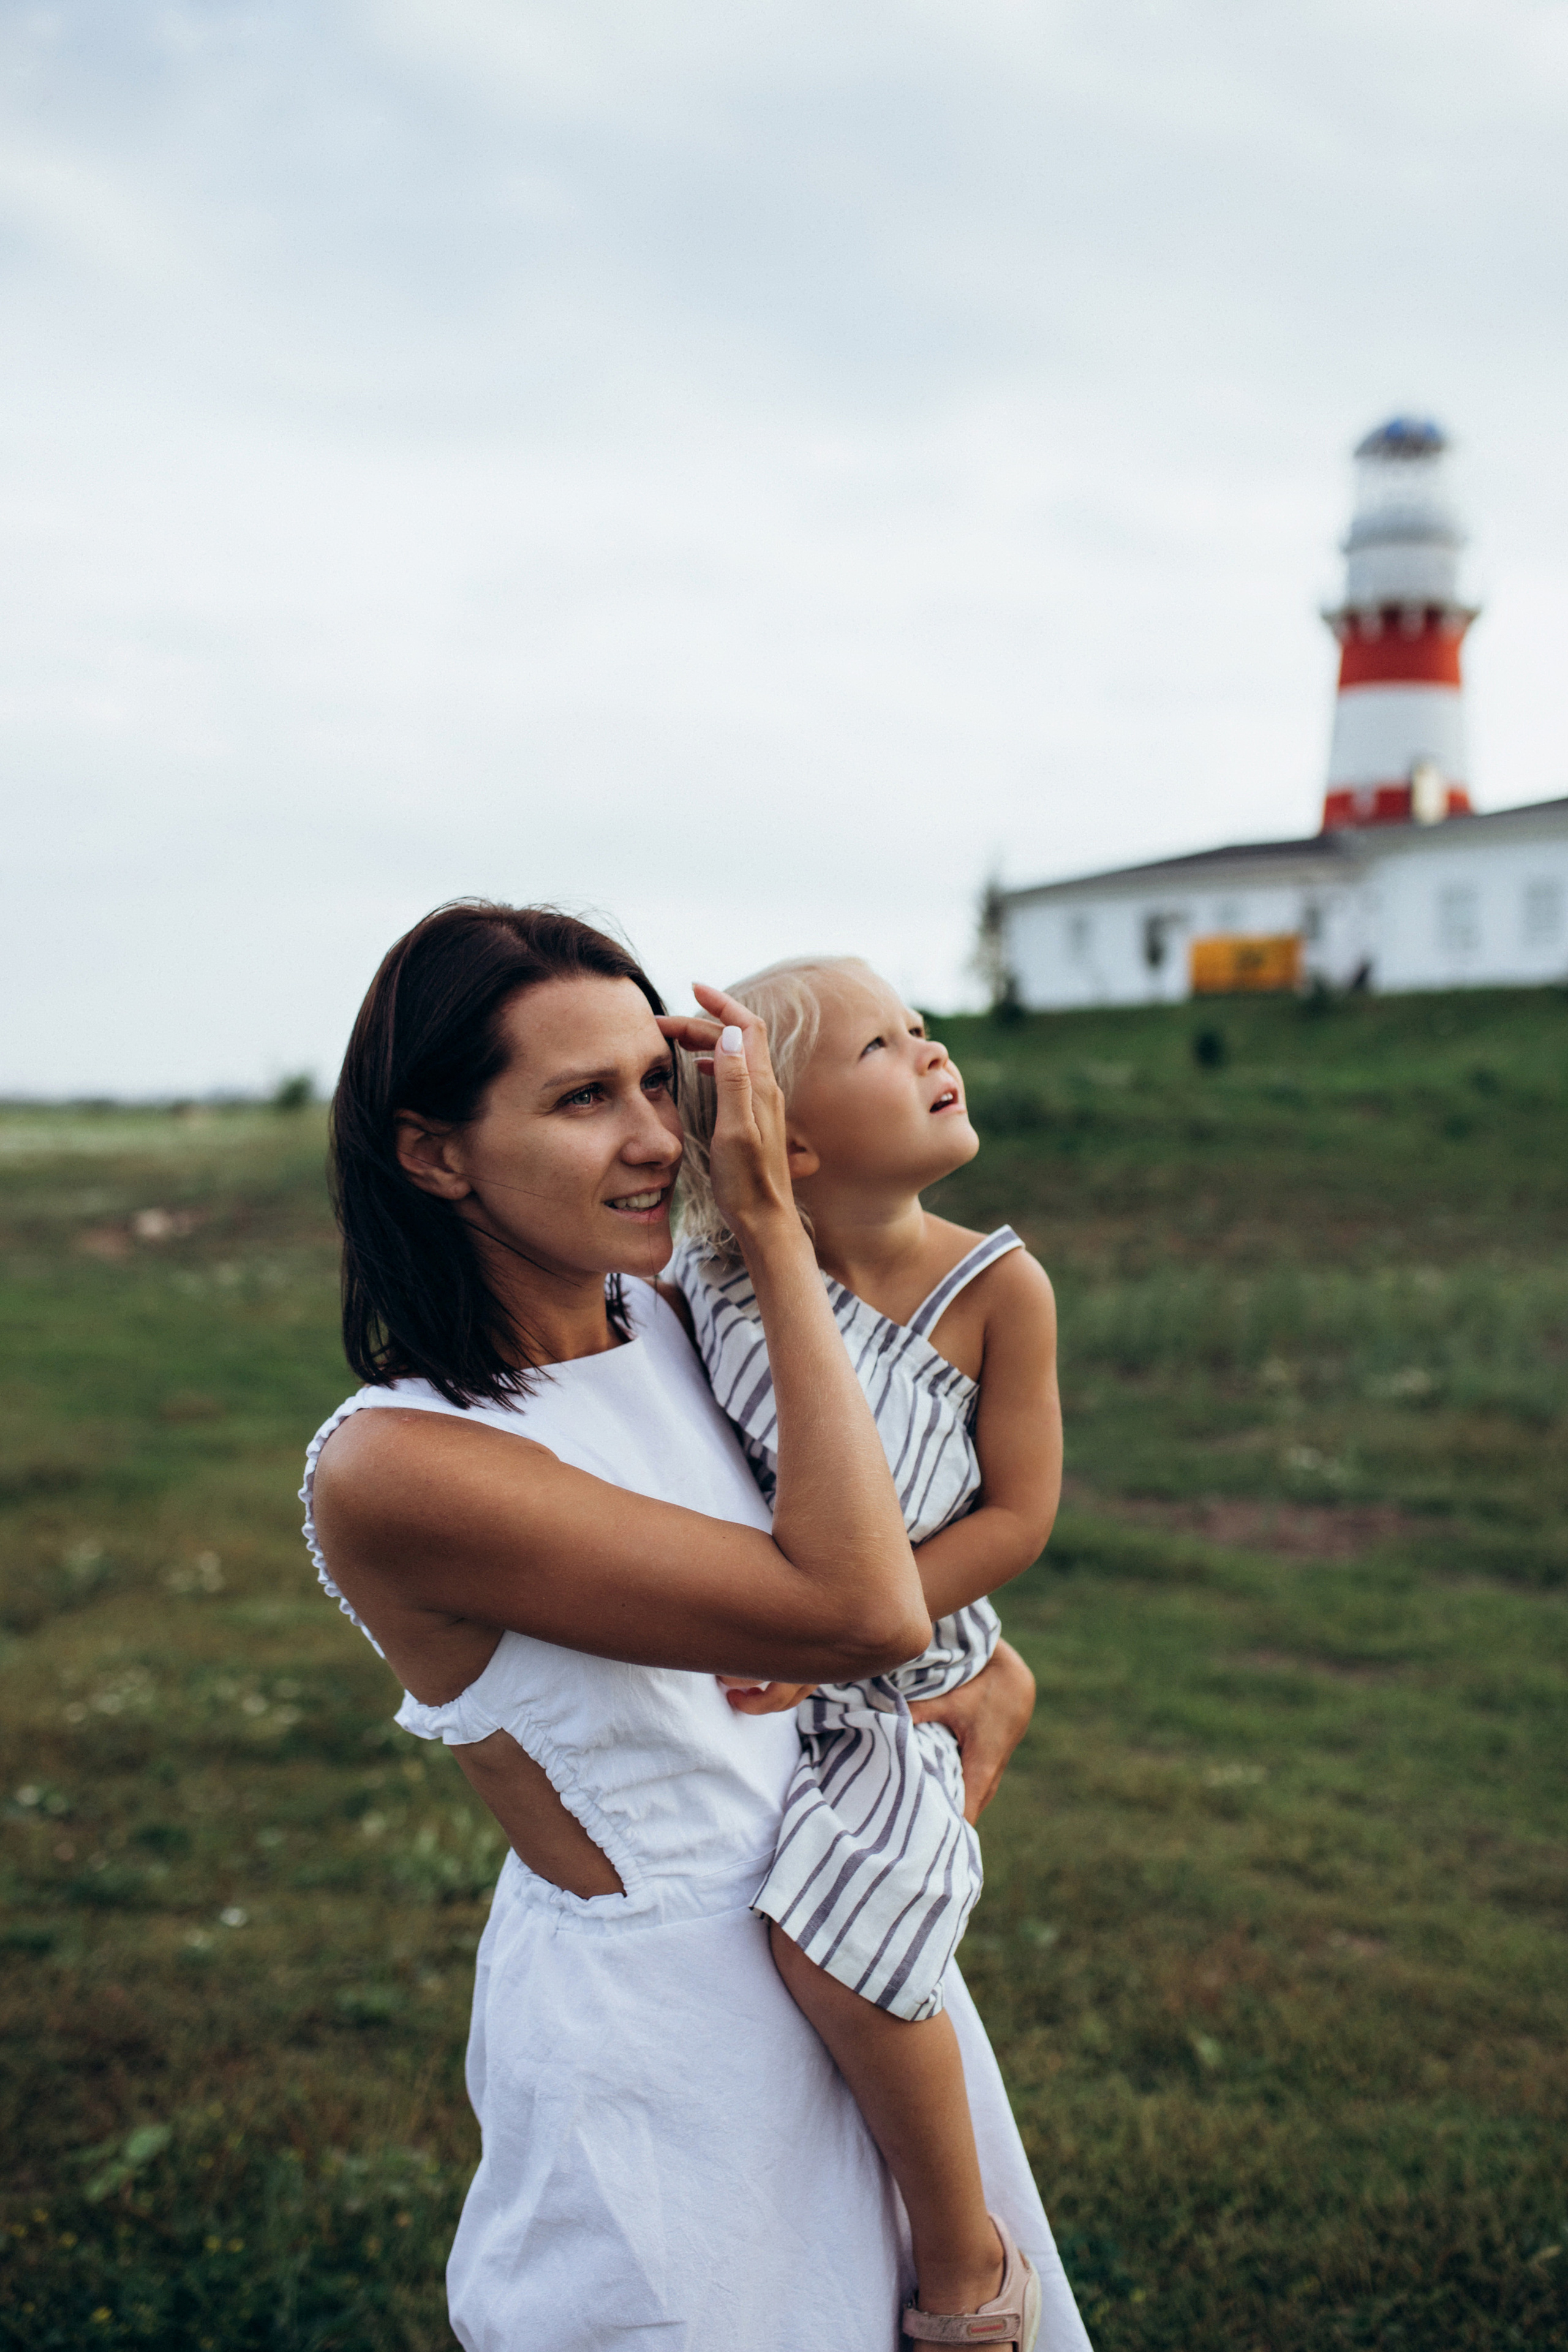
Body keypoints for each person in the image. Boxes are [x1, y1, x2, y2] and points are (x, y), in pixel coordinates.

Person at [301, 902, 1089, 2351]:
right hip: (667, 2058)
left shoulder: (681, 1319)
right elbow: (858, 1609)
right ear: (433, 1153)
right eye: (581, 1100)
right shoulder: (401, 1466)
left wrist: (995, 1670)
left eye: (656, 1085)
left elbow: (894, 1550)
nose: (658, 1141)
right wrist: (775, 1229)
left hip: (855, 1951)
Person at [672, 955, 1072, 2342]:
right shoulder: (712, 1283)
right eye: (881, 1048)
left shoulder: (996, 1287)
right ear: (787, 1144)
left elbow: (1017, 1516)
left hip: (912, 1682)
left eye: (923, 1030)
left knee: (836, 1942)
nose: (932, 1052)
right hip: (757, 1672)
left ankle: (965, 2263)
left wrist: (845, 1642)